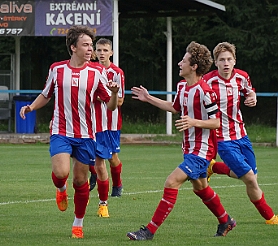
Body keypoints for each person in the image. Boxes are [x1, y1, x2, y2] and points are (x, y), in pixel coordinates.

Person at [126, 41, 236, 241]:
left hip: (202, 151)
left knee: (172, 181)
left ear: (193, 66)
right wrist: (148, 98)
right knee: (201, 188)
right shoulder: (183, 86)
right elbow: (175, 107)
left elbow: (217, 122)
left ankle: (149, 231)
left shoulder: (205, 91)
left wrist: (193, 121)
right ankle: (225, 220)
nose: (179, 63)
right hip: (189, 148)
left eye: (183, 60)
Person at [19, 25, 119, 239]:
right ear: (73, 47)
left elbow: (109, 106)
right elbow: (46, 95)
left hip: (86, 135)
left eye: (91, 45)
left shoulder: (97, 72)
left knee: (81, 181)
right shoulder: (57, 69)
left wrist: (114, 93)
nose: (90, 49)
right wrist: (31, 107)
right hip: (61, 130)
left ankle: (78, 223)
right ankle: (61, 189)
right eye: (86, 45)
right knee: (61, 172)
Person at [204, 42, 278, 224]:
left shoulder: (242, 77)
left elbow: (250, 92)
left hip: (242, 136)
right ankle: (270, 217)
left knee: (252, 176)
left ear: (234, 61)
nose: (226, 63)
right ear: (216, 62)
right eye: (222, 60)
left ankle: (213, 167)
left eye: (229, 59)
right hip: (222, 139)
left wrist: (253, 98)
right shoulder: (208, 81)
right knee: (250, 179)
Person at [89, 38, 125, 197]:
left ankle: (117, 185)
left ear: (111, 53)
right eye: (99, 50)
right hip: (91, 120)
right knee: (88, 152)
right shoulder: (89, 70)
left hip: (110, 122)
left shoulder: (116, 73)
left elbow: (121, 100)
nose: (102, 53)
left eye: (105, 50)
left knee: (111, 157)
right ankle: (94, 174)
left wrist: (101, 96)